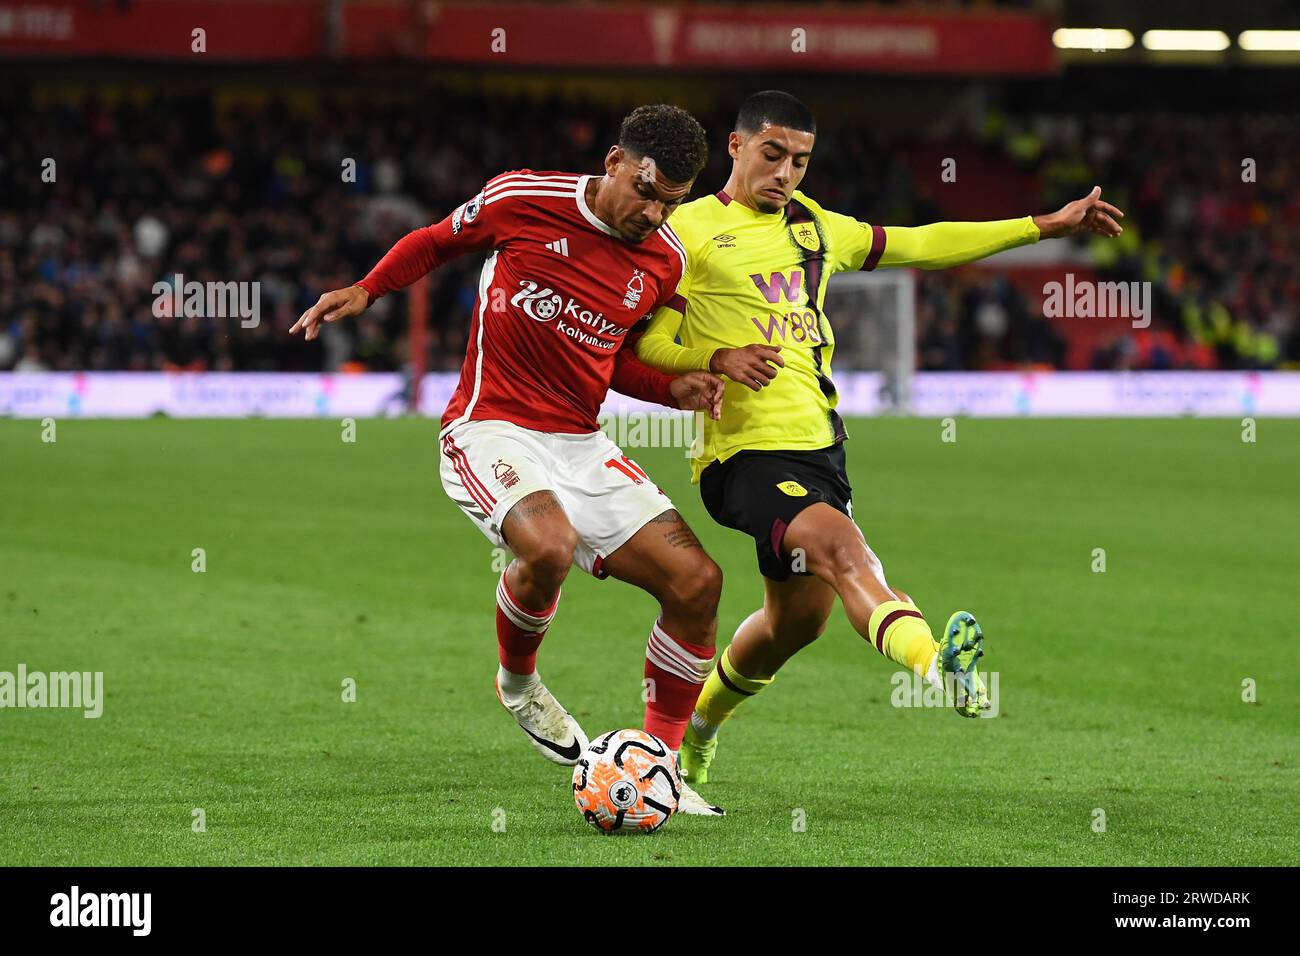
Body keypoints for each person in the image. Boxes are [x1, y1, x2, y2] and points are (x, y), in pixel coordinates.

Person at [636, 90, 1125, 786]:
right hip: (741, 455)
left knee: (794, 625)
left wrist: (1044, 225)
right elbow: (650, 340)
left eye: (800, 161)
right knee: (843, 549)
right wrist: (712, 359)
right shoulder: (685, 231)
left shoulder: (815, 226)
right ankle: (937, 663)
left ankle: (696, 738)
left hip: (820, 451)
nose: (786, 174)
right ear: (738, 147)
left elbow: (925, 244)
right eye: (773, 155)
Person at [293, 105, 730, 814]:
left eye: (671, 203)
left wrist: (674, 387)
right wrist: (367, 288)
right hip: (489, 425)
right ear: (614, 162)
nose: (654, 213)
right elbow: (435, 242)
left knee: (697, 583)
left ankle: (661, 767)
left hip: (580, 441)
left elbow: (613, 360)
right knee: (549, 546)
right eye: (646, 192)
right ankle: (520, 684)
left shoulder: (665, 261)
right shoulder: (522, 198)